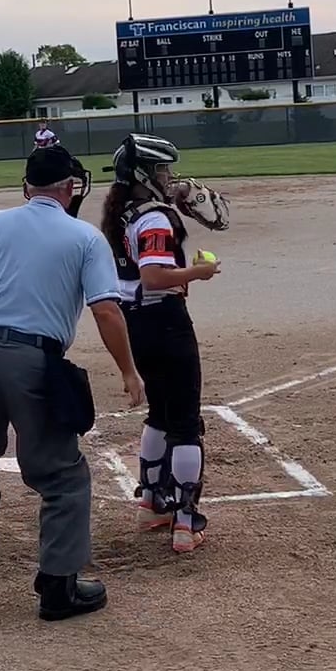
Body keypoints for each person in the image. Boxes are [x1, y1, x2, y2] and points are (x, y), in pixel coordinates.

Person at [0, 144, 145, 621]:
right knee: (61, 475)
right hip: (36, 361)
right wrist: (128, 370)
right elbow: (106, 310)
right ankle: (58, 587)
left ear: (27, 186)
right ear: (69, 187)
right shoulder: (85, 237)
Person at [101, 133, 219, 554]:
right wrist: (199, 273)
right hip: (164, 321)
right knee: (185, 422)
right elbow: (154, 276)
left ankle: (152, 503)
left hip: (134, 323)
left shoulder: (120, 211)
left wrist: (177, 198)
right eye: (162, 170)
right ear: (143, 174)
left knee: (160, 414)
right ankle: (185, 522)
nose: (169, 176)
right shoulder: (154, 219)